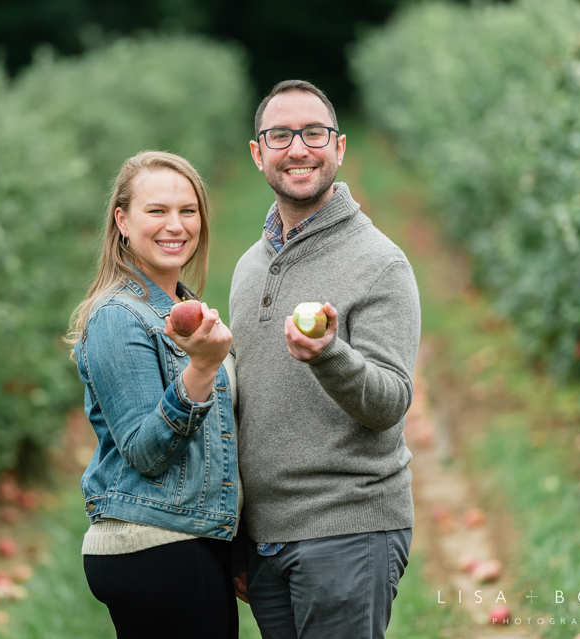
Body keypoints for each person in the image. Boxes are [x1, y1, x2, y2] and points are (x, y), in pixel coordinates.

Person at [229, 80, 421, 638]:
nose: (298, 148)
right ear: (257, 152)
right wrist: (241, 530)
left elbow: (390, 401)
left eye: (313, 133)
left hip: (348, 528)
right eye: (280, 135)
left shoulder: (380, 263)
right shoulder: (250, 266)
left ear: (338, 147)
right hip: (267, 537)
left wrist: (330, 355)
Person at [67, 151, 240, 638]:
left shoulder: (184, 310)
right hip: (156, 544)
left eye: (188, 211)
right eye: (157, 211)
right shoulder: (118, 317)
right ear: (122, 220)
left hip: (185, 542)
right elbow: (145, 450)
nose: (176, 225)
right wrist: (203, 367)